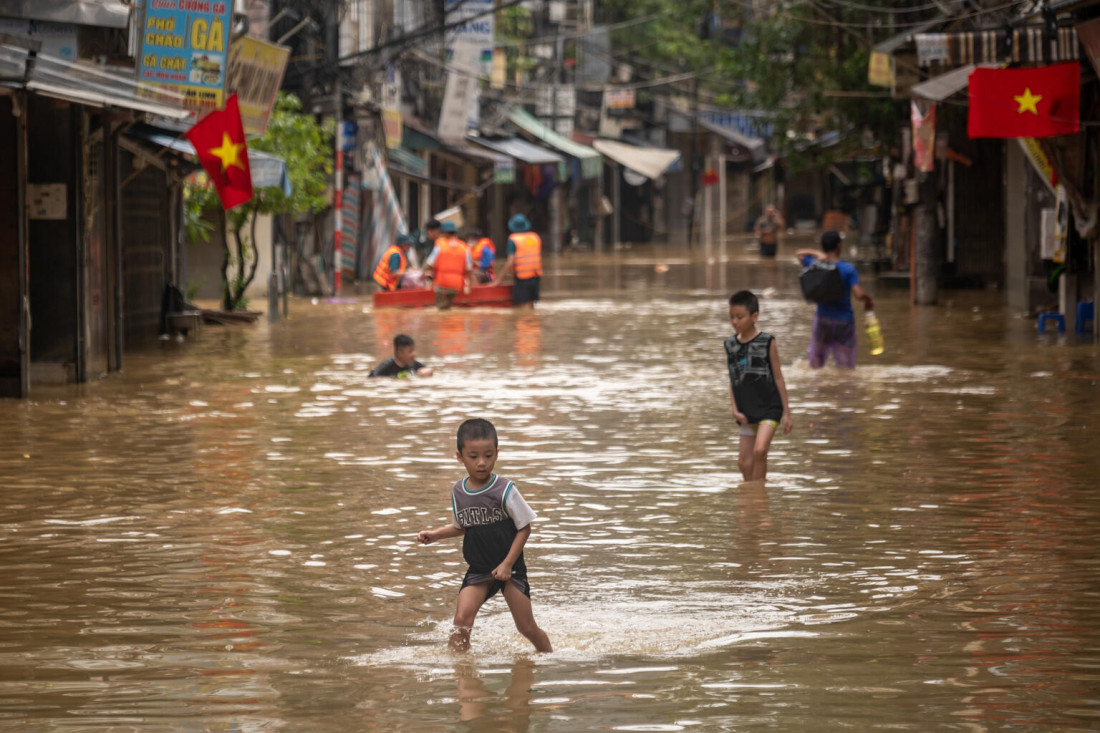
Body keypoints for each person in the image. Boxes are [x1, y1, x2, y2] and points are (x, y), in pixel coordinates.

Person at [417, 418, 553, 653]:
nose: (481, 463)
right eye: (473, 456)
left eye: (488, 456)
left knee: (527, 628)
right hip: (478, 570)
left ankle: (549, 658)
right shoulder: (459, 491)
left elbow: (525, 528)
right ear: (459, 456)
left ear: (497, 454)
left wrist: (507, 565)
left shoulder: (505, 489)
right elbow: (463, 526)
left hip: (510, 571)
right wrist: (436, 535)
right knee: (461, 623)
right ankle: (462, 675)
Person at [725, 290, 793, 482]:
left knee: (760, 450)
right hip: (746, 410)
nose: (735, 322)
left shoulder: (767, 342)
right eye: (731, 317)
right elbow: (733, 378)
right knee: (743, 463)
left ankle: (758, 494)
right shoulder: (730, 345)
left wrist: (786, 413)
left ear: (755, 316)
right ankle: (753, 497)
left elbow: (779, 378)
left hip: (770, 407)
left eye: (740, 317)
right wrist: (734, 409)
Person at [795, 230, 874, 369]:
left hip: (822, 320)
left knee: (815, 365)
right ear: (839, 245)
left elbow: (799, 254)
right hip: (845, 322)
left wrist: (818, 254)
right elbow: (858, 294)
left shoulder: (816, 264)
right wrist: (868, 300)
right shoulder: (848, 269)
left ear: (823, 246)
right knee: (846, 367)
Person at [494, 214, 541, 308]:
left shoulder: (513, 240)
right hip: (536, 277)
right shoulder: (535, 237)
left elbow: (510, 261)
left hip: (522, 278)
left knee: (523, 308)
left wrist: (499, 279)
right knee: (531, 306)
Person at [424, 220, 472, 310]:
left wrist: (423, 274)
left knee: (441, 309)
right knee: (448, 308)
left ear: (445, 233)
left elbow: (429, 263)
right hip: (456, 284)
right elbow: (469, 268)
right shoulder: (464, 247)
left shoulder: (440, 245)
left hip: (441, 283)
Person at [369, 333, 433, 378]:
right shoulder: (387, 366)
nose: (414, 354)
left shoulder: (413, 364)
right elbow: (372, 377)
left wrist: (428, 371)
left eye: (414, 350)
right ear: (399, 353)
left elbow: (428, 369)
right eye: (410, 351)